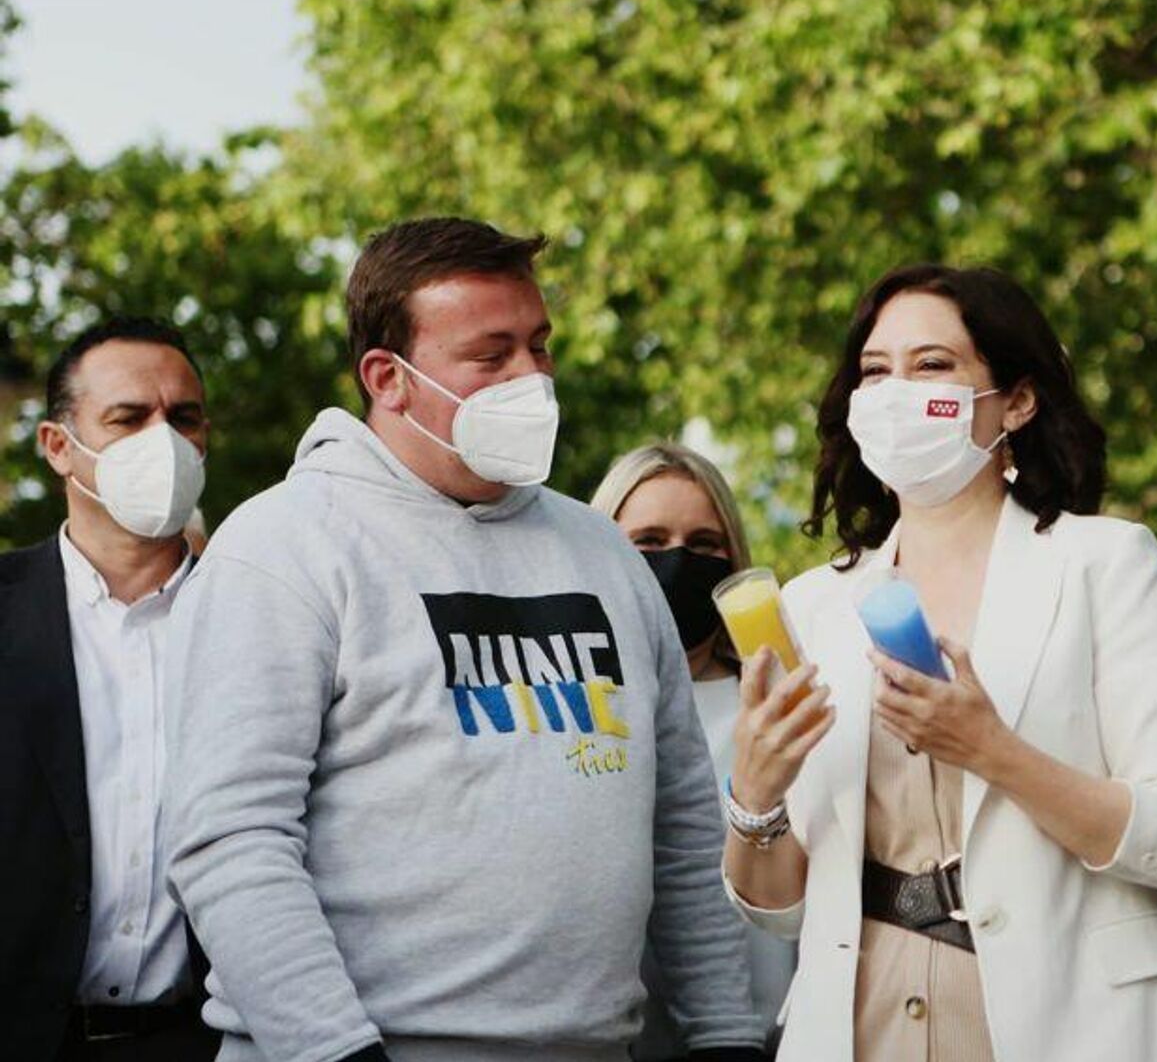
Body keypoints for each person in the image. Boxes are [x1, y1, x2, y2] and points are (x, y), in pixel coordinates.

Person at [161, 218, 763, 1062]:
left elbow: (685, 833)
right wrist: (337, 1053)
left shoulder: (603, 555)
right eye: (492, 356)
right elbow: (232, 840)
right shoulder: (285, 546)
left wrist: (727, 1036)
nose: (533, 378)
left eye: (540, 347)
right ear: (388, 377)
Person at [720, 263, 1157, 1061]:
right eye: (874, 371)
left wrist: (995, 752)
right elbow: (780, 907)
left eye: (932, 365)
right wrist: (756, 795)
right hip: (860, 1019)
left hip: (1067, 1020)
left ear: (1017, 401)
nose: (895, 392)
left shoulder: (1105, 563)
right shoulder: (815, 605)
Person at [0, 316, 220, 1060]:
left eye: (182, 417)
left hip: (203, 1040)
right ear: (59, 446)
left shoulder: (258, 619)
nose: (162, 440)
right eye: (128, 418)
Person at [590, 442, 797, 1057]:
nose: (678, 563)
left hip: (771, 1037)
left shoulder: (777, 706)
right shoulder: (569, 712)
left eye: (705, 545)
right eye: (648, 543)